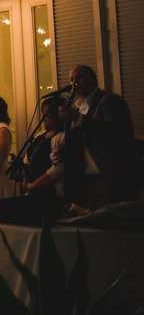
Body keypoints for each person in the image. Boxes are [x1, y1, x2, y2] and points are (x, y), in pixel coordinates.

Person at [57, 65, 138, 208]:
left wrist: (77, 118)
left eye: (79, 77)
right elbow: (81, 142)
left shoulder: (109, 101)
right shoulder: (78, 108)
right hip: (85, 182)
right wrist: (62, 152)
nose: (75, 82)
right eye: (71, 79)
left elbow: (114, 133)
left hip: (111, 178)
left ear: (93, 80)